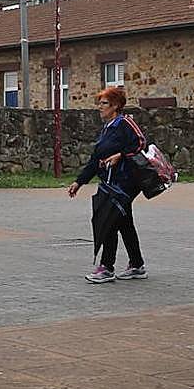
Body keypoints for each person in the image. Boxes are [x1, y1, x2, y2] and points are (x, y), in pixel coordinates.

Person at [67, 86, 146, 284]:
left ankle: (107, 267)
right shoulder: (107, 128)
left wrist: (120, 156)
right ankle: (137, 265)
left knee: (109, 221)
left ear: (116, 105)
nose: (99, 107)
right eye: (99, 103)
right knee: (124, 223)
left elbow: (141, 144)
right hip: (110, 183)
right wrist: (79, 181)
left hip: (125, 183)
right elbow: (95, 160)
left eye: (104, 104)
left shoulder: (125, 123)